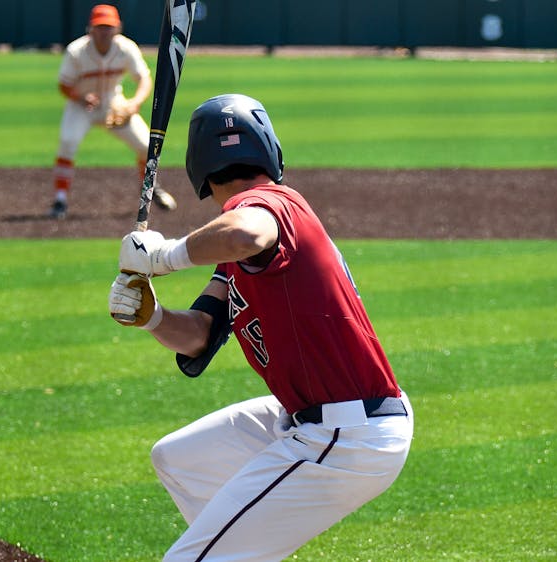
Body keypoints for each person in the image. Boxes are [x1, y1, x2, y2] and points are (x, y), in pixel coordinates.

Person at [107, 93, 413, 560]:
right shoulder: (240, 253)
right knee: (179, 459)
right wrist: (153, 317)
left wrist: (165, 256)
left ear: (200, 167)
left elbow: (249, 231)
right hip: (314, 416)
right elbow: (199, 335)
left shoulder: (268, 203)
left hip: (349, 434)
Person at [49, 4, 177, 219]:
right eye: (100, 26)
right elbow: (63, 85)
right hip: (81, 105)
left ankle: (149, 188)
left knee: (147, 145)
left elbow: (144, 79)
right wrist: (81, 97)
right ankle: (60, 199)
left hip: (113, 102)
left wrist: (134, 103)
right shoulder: (76, 51)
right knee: (68, 142)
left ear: (118, 28)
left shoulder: (126, 48)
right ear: (91, 28)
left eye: (109, 27)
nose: (104, 31)